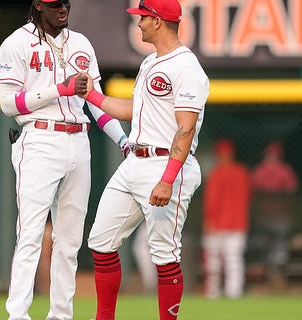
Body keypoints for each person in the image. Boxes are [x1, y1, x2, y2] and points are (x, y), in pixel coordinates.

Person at [0, 0, 128, 319]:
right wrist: (59, 89)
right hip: (40, 139)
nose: (63, 8)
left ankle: (61, 315)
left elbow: (94, 102)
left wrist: (122, 138)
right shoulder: (16, 42)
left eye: (66, 3)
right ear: (39, 5)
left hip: (78, 139)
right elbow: (7, 104)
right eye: (55, 4)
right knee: (29, 233)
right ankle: (18, 314)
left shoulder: (81, 42)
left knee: (69, 239)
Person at [83, 0, 210, 318]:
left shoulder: (186, 68)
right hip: (135, 162)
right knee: (101, 241)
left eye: (142, 17)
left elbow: (186, 128)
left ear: (157, 21)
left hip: (166, 164)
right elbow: (131, 112)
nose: (137, 23)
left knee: (164, 254)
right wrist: (89, 94)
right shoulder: (150, 62)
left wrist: (168, 179)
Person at [201, 139, 251, 299]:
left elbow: (212, 201)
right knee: (233, 260)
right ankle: (233, 292)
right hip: (237, 222)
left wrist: (209, 220)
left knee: (214, 262)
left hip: (217, 223)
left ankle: (214, 292)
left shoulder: (216, 173)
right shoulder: (242, 172)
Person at [250, 141, 299, 285]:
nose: (271, 158)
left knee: (279, 245)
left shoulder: (283, 170)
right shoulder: (262, 170)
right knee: (268, 244)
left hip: (279, 216)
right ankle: (270, 273)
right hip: (265, 216)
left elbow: (292, 191)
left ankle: (277, 273)